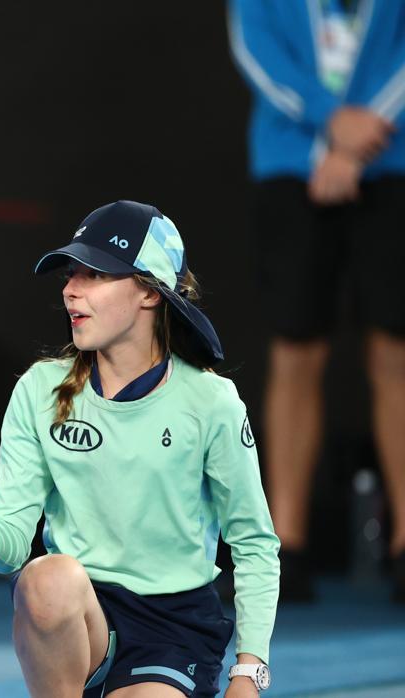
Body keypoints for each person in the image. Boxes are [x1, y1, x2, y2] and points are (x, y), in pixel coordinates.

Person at [0, 201, 280, 697]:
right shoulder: (39, 390)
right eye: (71, 274)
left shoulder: (211, 401)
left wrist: (249, 670)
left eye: (95, 274)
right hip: (81, 620)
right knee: (46, 576)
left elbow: (254, 544)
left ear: (149, 292)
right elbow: (10, 542)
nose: (71, 288)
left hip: (174, 630)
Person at [228, 0, 405, 603]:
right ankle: (286, 549)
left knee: (395, 356)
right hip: (290, 165)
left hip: (393, 159)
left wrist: (358, 142)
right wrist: (332, 122)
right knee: (295, 354)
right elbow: (256, 48)